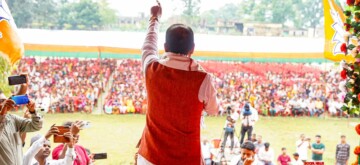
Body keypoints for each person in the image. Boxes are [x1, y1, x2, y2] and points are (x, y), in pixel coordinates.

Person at [137, 2, 218, 164]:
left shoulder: (151, 68)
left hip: (150, 156)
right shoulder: (204, 79)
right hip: (187, 158)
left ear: (165, 47)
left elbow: (149, 45)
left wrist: (155, 18)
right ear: (193, 48)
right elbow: (213, 110)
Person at [0, 89, 43, 165]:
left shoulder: (13, 119)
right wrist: (2, 114)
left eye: (6, 100)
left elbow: (36, 126)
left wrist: (33, 111)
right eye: (1, 101)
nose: (5, 103)